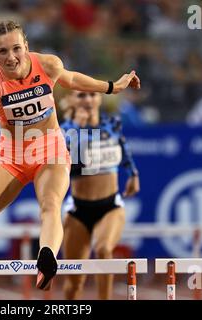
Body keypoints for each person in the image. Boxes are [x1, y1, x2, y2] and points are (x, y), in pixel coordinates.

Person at [0, 20, 141, 291]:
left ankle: (47, 258)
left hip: (50, 151)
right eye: (3, 51)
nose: (11, 57)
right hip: (11, 159)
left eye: (16, 48)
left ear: (26, 47)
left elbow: (73, 79)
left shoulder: (47, 64)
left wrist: (113, 86)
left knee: (50, 204)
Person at [60, 90, 140, 299]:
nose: (87, 99)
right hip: (78, 209)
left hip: (110, 205)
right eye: (81, 95)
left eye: (92, 95)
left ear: (99, 98)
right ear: (70, 100)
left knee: (104, 249)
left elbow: (123, 148)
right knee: (74, 282)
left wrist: (132, 173)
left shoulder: (112, 124)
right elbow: (64, 165)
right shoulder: (64, 130)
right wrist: (79, 127)